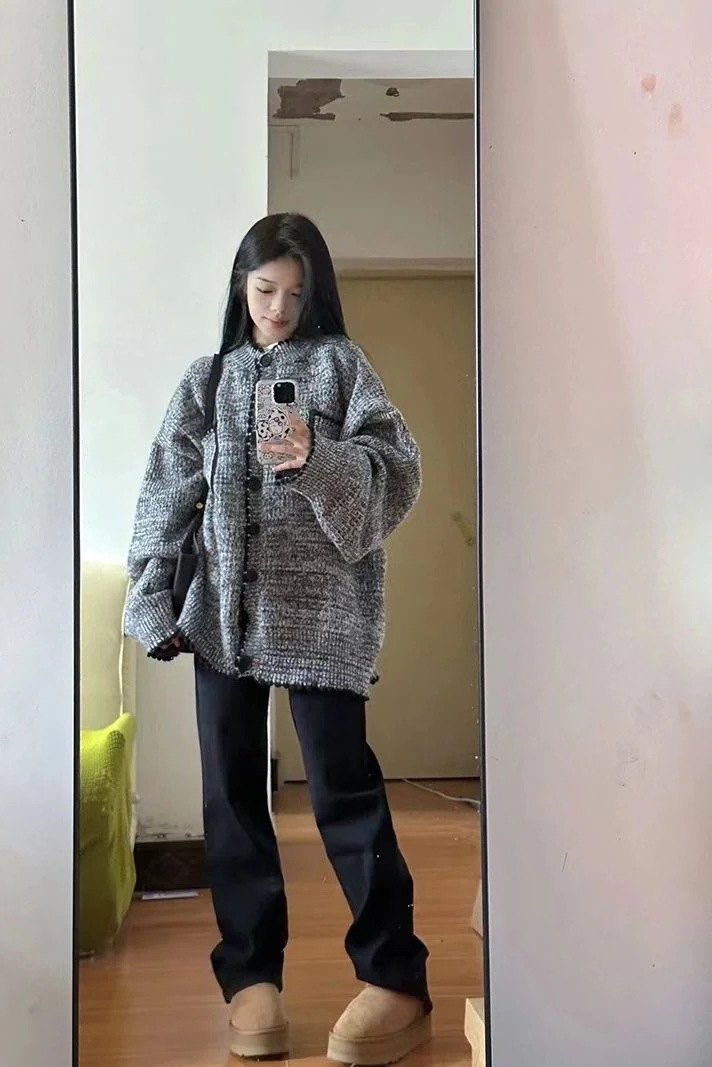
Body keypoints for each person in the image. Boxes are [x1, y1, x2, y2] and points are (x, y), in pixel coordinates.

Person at [124, 213, 431, 1065]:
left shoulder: (342, 367)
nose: (279, 309)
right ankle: (251, 976)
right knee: (230, 795)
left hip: (324, 618)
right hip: (224, 620)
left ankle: (397, 978)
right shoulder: (207, 379)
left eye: (296, 293)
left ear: (315, 291)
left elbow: (398, 474)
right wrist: (152, 599)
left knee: (343, 791)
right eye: (265, 290)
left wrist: (317, 459)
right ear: (241, 285)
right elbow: (164, 492)